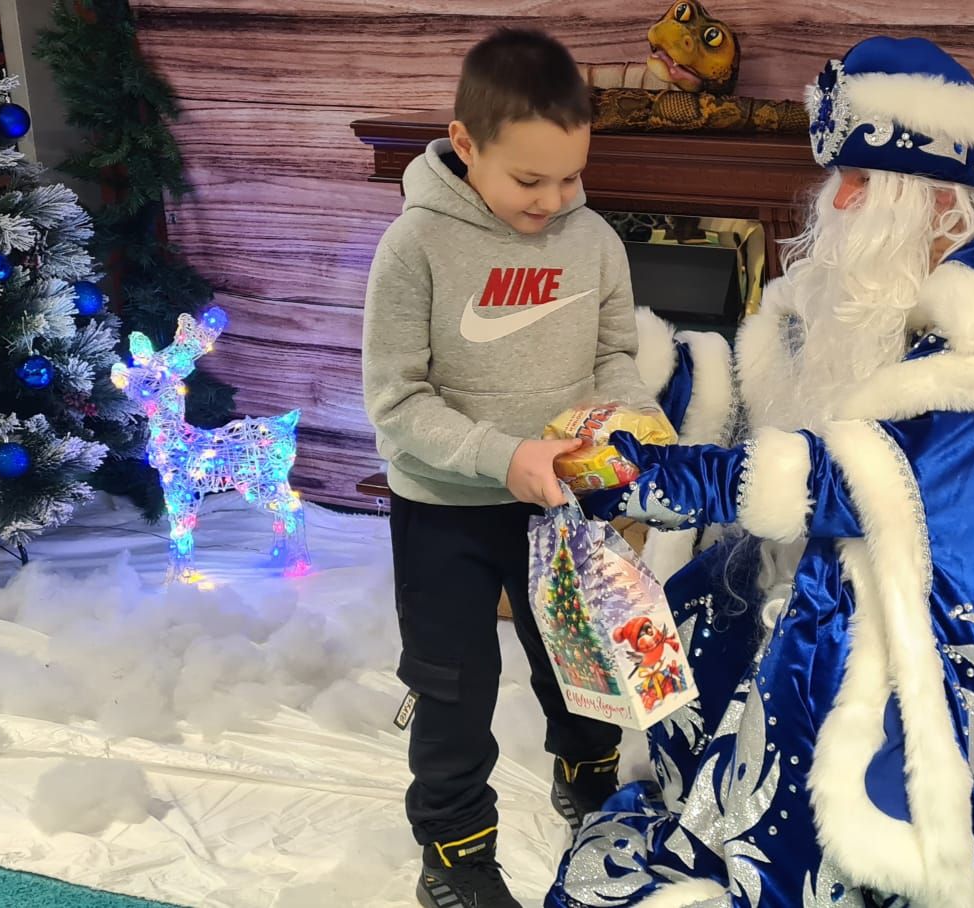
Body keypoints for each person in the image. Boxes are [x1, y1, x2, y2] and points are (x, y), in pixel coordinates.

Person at [545, 35, 974, 907]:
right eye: (837, 171)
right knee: (719, 584)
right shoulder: (874, 285)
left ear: (937, 195)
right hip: (892, 553)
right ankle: (715, 805)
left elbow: (875, 487)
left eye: (862, 181)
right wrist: (642, 383)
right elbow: (766, 388)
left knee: (824, 620)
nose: (833, 199)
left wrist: (650, 474)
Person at [361, 27, 652, 908]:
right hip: (445, 510)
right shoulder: (413, 250)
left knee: (582, 661)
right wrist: (505, 456)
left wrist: (623, 427)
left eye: (570, 175)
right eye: (530, 180)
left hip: (563, 508)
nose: (554, 199)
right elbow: (397, 406)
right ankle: (454, 858)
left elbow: (617, 355)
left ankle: (589, 781)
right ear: (465, 145)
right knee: (452, 688)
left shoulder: (595, 237)